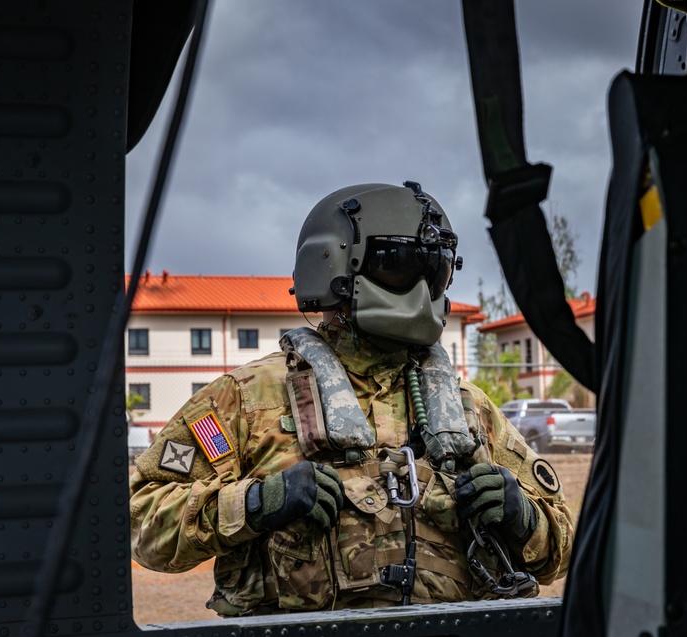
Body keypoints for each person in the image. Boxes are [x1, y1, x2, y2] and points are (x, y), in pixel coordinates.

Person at [129, 181, 574, 614]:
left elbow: (565, 548)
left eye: (432, 268)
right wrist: (254, 503)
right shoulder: (246, 400)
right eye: (397, 263)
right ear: (335, 268)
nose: (418, 288)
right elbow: (140, 525)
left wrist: (524, 517)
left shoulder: (467, 408)